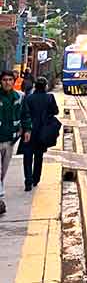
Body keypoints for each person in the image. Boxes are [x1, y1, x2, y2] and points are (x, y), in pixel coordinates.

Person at [17, 77, 58, 191]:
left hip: (29, 131)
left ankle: (28, 181)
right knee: (39, 156)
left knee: (27, 156)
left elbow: (24, 113)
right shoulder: (49, 97)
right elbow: (55, 111)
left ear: (35, 86)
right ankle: (36, 179)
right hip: (43, 131)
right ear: (45, 86)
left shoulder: (28, 98)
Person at [0, 70, 31, 215]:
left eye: (9, 80)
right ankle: (0, 199)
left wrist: (27, 130)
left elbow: (25, 115)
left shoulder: (20, 96)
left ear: (14, 81)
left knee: (3, 172)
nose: (7, 82)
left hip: (11, 141)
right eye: (4, 80)